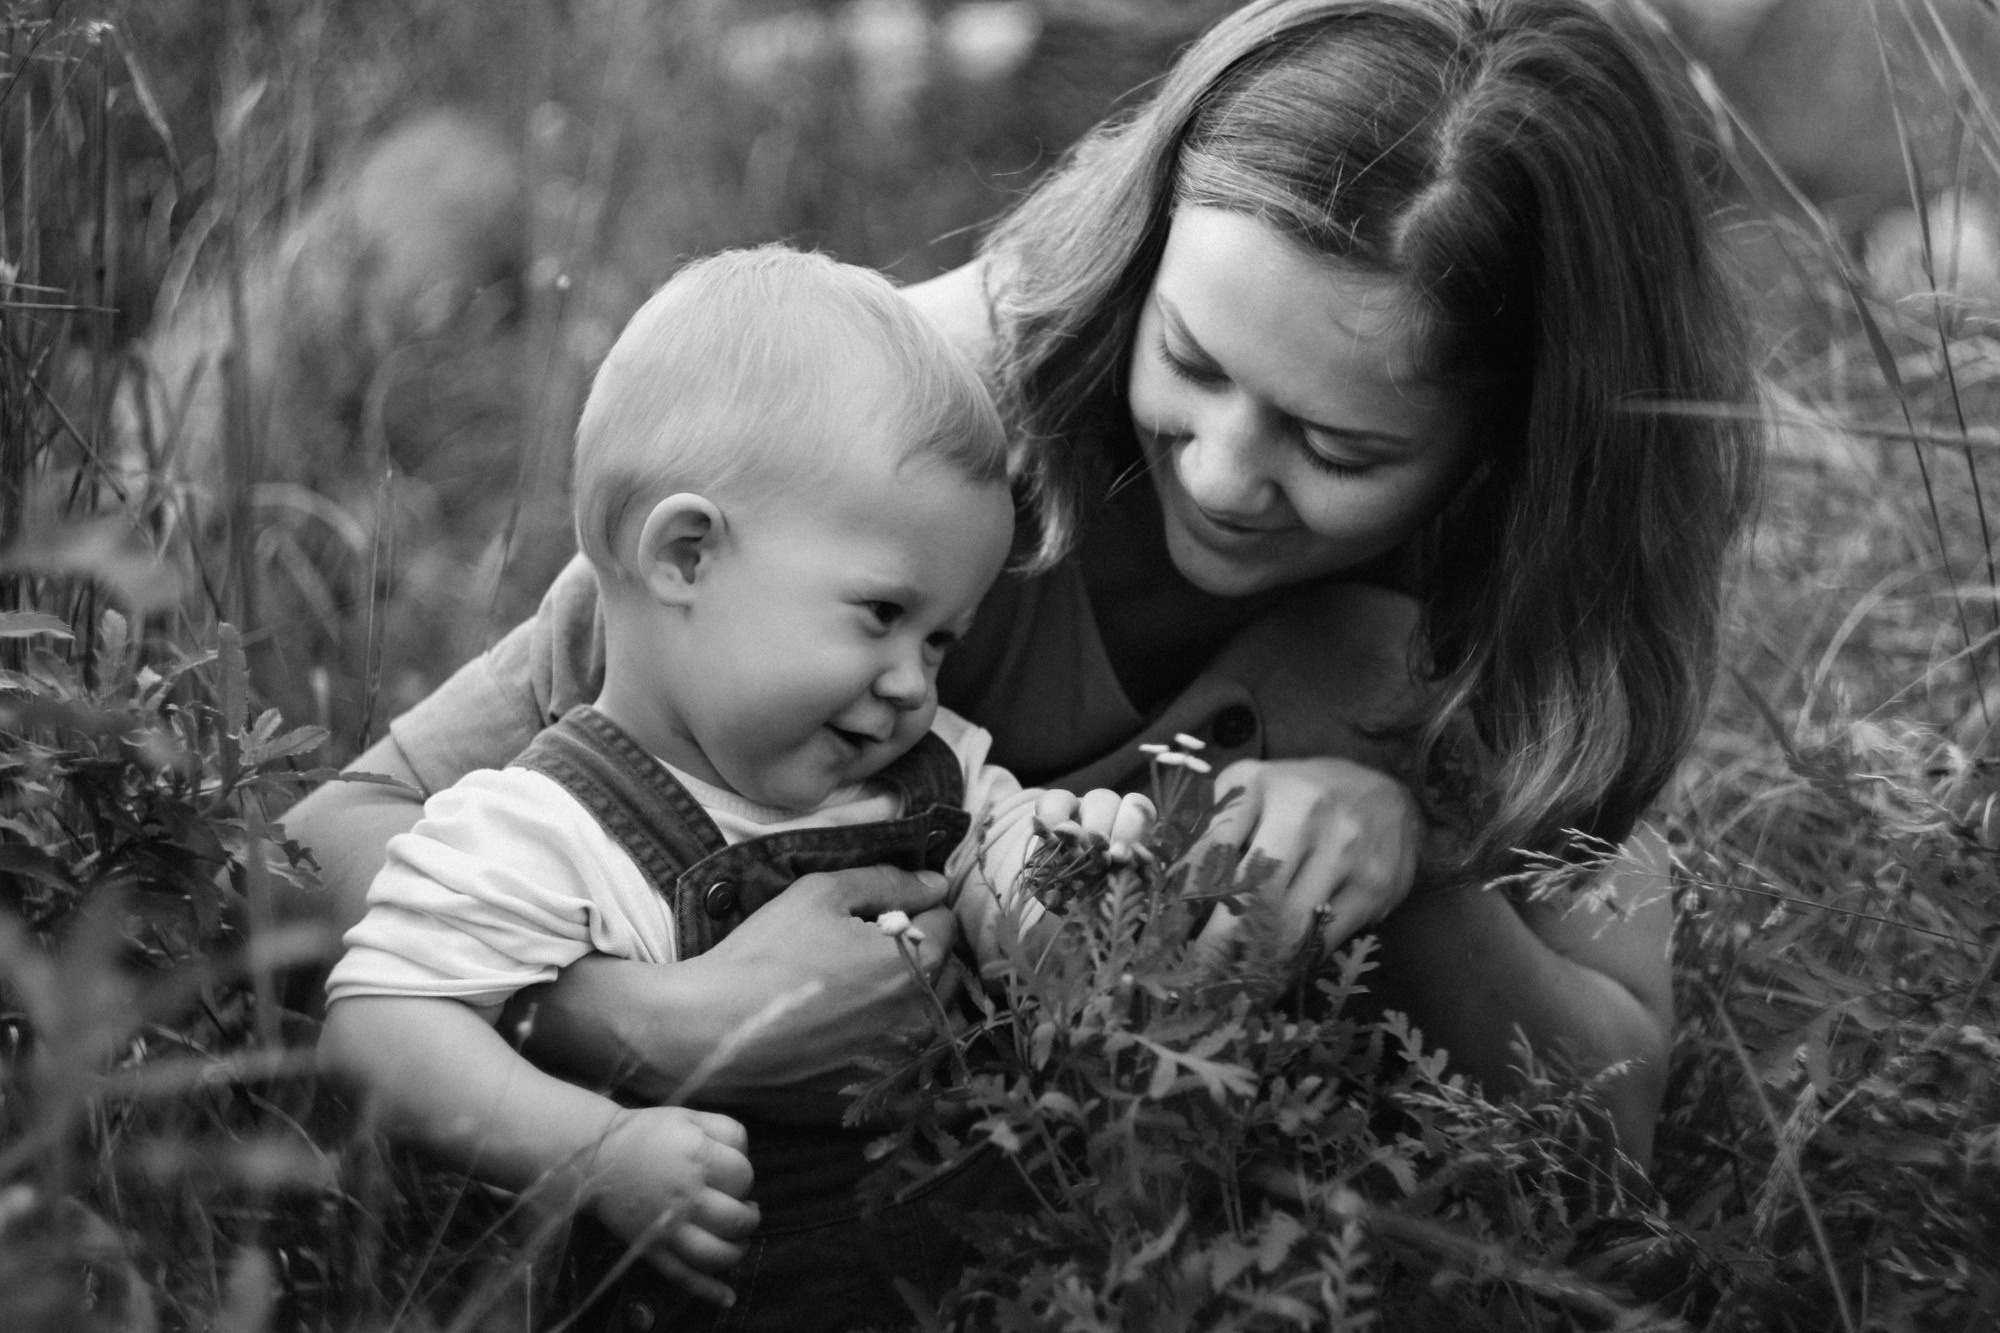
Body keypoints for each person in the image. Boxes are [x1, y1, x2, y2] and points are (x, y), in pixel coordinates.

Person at [289, 0, 1756, 1312]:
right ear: (1149, 248)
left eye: (1339, 444)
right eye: (1188, 357)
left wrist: (1411, 849)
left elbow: (1605, 1141)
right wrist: (640, 1021)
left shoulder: (1522, 609)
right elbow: (322, 842)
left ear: (1513, 453)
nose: (1229, 474)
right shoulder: (904, 441)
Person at [317, 247, 1157, 1326]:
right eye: (880, 615)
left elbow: (1002, 865)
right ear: (685, 557)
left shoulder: (930, 765)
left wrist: (1062, 872)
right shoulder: (540, 826)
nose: (911, 684)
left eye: (943, 639)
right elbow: (380, 1027)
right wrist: (596, 1149)